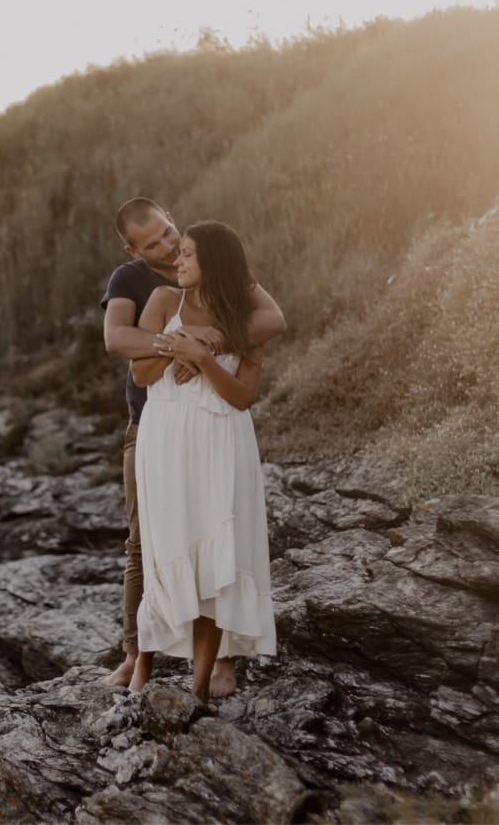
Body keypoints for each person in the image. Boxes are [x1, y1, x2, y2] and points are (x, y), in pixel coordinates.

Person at [100, 197, 286, 696]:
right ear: (133, 248)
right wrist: (177, 340)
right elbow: (120, 342)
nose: (167, 249)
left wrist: (208, 347)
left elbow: (271, 326)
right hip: (154, 428)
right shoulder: (139, 285)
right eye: (156, 243)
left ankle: (214, 669)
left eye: (172, 237)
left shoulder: (228, 274)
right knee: (148, 544)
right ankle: (136, 657)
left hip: (216, 436)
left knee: (215, 546)